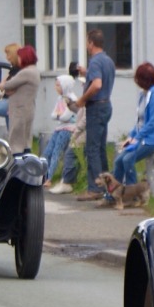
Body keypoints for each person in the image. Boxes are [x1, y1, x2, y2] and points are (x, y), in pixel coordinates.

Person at [104, 62, 154, 204]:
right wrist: (131, 137)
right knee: (119, 160)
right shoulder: (143, 95)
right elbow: (140, 121)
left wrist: (137, 138)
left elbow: (152, 123)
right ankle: (113, 195)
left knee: (128, 159)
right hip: (143, 137)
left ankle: (133, 193)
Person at [73, 29, 115, 201]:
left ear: (91, 43)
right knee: (101, 147)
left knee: (92, 149)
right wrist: (86, 72)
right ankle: (108, 185)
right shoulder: (108, 60)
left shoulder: (95, 62)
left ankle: (95, 188)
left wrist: (82, 99)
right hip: (106, 105)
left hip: (96, 107)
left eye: (86, 42)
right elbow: (101, 79)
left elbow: (97, 84)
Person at [40, 72, 81, 189]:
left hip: (67, 128)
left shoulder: (72, 99)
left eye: (58, 85)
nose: (56, 87)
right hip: (59, 128)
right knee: (47, 152)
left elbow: (65, 116)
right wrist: (58, 115)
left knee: (56, 152)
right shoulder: (60, 98)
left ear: (65, 85)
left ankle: (50, 178)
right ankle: (42, 174)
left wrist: (58, 115)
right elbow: (53, 114)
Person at [51, 62, 86, 194]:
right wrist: (70, 104)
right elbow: (78, 111)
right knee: (70, 153)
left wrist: (76, 131)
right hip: (79, 129)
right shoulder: (83, 96)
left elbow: (84, 118)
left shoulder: (89, 96)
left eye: (83, 83)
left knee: (70, 154)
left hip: (81, 131)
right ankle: (67, 180)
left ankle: (67, 182)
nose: (81, 85)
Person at [0, 44, 40, 154]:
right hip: (27, 109)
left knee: (16, 142)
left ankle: (19, 166)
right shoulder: (34, 71)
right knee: (26, 141)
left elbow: (6, 86)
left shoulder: (25, 72)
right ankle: (26, 163)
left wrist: (4, 84)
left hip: (20, 111)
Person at [0, 43, 18, 136]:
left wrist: (4, 85)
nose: (7, 57)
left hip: (12, 103)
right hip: (10, 103)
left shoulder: (17, 71)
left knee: (13, 130)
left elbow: (2, 85)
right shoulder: (13, 69)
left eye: (8, 54)